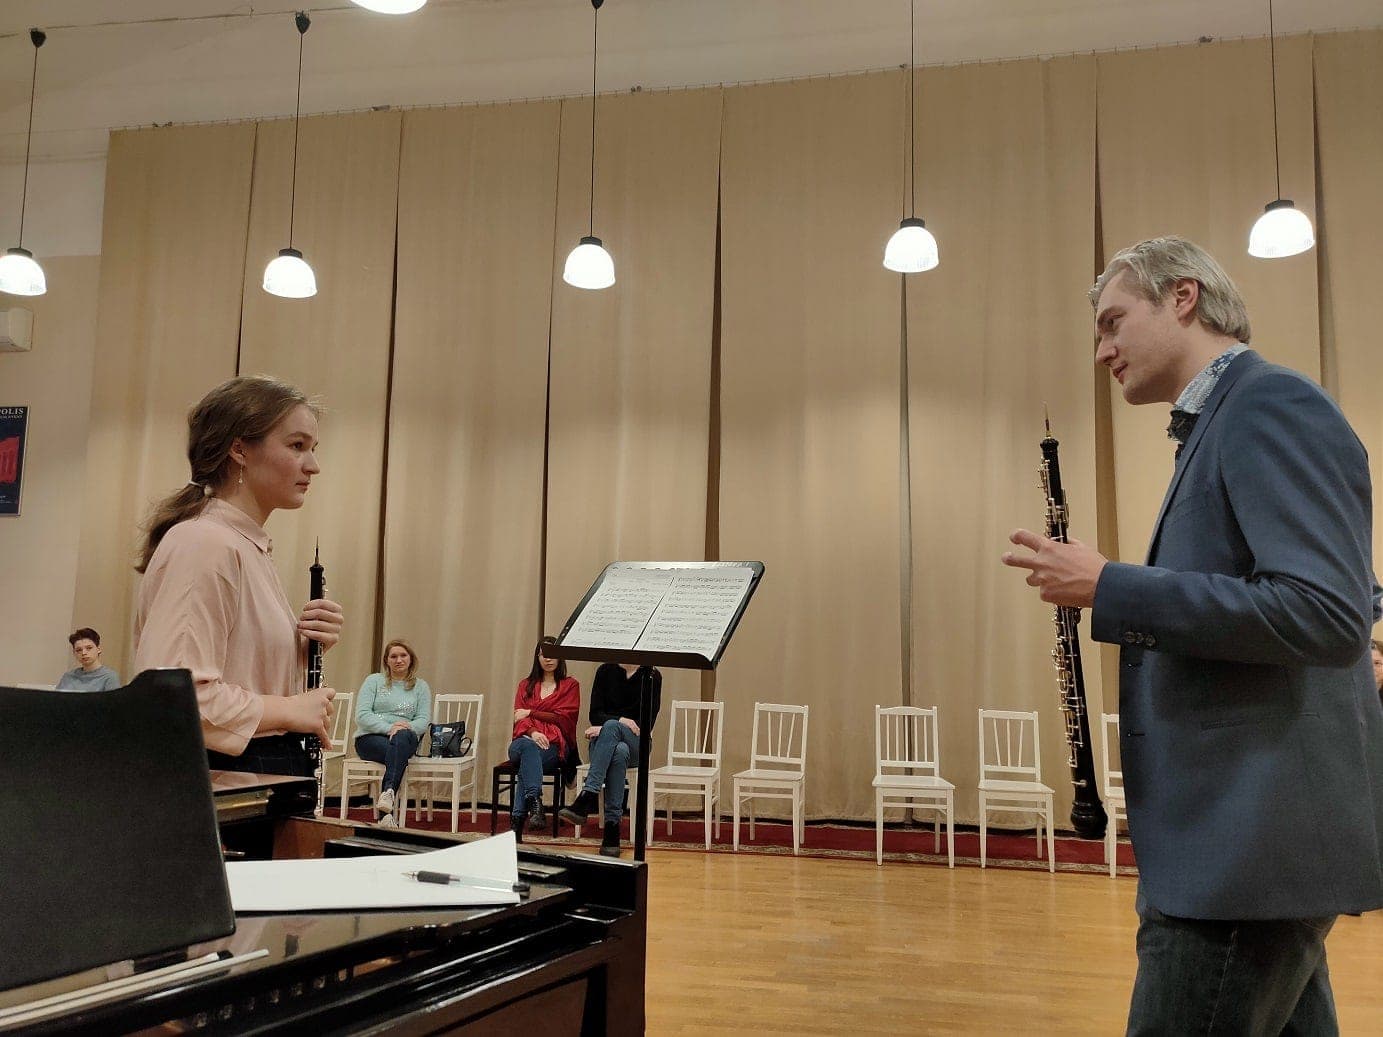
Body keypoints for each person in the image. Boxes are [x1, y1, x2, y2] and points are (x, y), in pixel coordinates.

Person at [1002, 236, 1383, 1034]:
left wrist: (1110, 585)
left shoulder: (1269, 405)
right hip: (1247, 845)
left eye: (1112, 322)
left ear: (1182, 297)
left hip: (1244, 849)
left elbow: (1325, 612)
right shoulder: (1222, 420)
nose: (1101, 351)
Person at [133, 375, 344, 777]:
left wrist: (302, 648)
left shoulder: (243, 545)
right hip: (224, 779)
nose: (313, 466)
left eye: (312, 449)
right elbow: (176, 701)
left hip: (248, 769)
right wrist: (290, 709)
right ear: (239, 449)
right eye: (297, 446)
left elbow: (234, 677)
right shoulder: (205, 543)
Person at [560, 662, 661, 857]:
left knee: (614, 729)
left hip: (637, 744)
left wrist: (609, 726)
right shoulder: (605, 671)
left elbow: (645, 723)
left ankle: (588, 795)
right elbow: (595, 714)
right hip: (605, 744)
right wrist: (619, 722)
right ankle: (611, 832)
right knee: (619, 750)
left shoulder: (651, 675)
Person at [506, 636, 580, 839]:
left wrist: (531, 712)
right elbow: (518, 720)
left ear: (560, 657)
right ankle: (534, 802)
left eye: (553, 654)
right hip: (522, 741)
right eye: (543, 654)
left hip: (551, 746)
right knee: (528, 748)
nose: (548, 659)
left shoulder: (570, 685)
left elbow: (564, 718)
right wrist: (533, 732)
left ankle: (519, 821)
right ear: (537, 657)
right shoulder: (525, 685)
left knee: (527, 766)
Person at [354, 638, 431, 828]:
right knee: (397, 751)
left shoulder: (421, 686)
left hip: (405, 737)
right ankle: (386, 808)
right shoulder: (373, 681)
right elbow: (362, 716)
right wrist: (390, 728)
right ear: (386, 661)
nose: (399, 660)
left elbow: (423, 720)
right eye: (393, 656)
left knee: (401, 739)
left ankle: (387, 802)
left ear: (411, 659)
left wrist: (401, 729)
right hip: (370, 738)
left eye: (403, 655)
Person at [55, 628, 121, 691]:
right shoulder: (68, 676)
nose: (83, 653)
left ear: (98, 649)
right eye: (79, 650)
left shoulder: (109, 677)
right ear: (74, 653)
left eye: (89, 648)